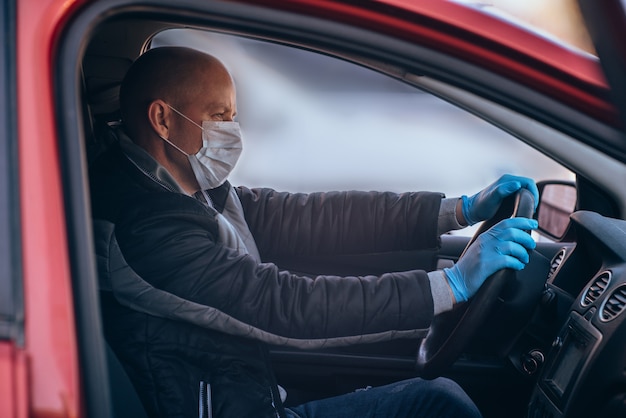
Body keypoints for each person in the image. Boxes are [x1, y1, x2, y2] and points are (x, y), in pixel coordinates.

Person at [90, 46, 538, 418]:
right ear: (162, 119)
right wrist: (452, 285)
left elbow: (311, 217)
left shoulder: (189, 188)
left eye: (232, 116)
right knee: (439, 407)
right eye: (218, 115)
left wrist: (455, 210)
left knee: (439, 400)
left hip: (249, 396)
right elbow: (281, 307)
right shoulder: (143, 228)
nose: (231, 130)